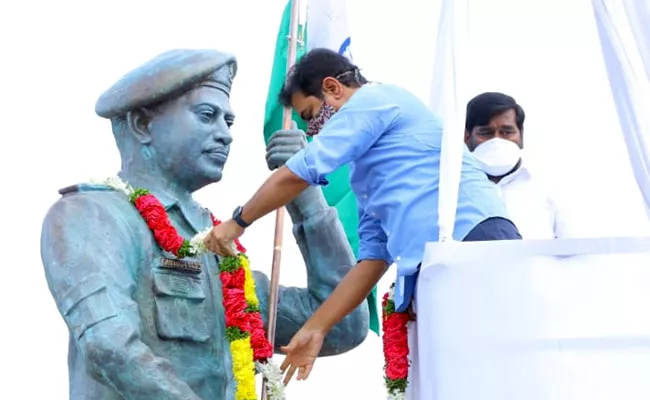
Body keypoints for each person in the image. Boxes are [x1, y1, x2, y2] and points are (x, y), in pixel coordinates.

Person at [39, 48, 368, 399]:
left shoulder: (220, 251)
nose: (225, 135)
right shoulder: (92, 213)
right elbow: (110, 346)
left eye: (228, 122)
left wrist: (302, 192)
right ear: (142, 125)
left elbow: (344, 326)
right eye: (207, 115)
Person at [203, 48, 522, 383]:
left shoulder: (375, 100)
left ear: (333, 89)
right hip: (437, 264)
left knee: (497, 367)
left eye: (311, 115)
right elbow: (373, 258)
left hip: (475, 239)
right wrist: (316, 328)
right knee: (466, 376)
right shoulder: (366, 172)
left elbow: (300, 172)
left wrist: (237, 223)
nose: (312, 130)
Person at [465, 92, 570, 239]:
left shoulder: (551, 186)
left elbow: (574, 248)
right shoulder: (450, 191)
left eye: (507, 132)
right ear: (467, 137)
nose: (497, 140)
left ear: (521, 136)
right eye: (486, 133)